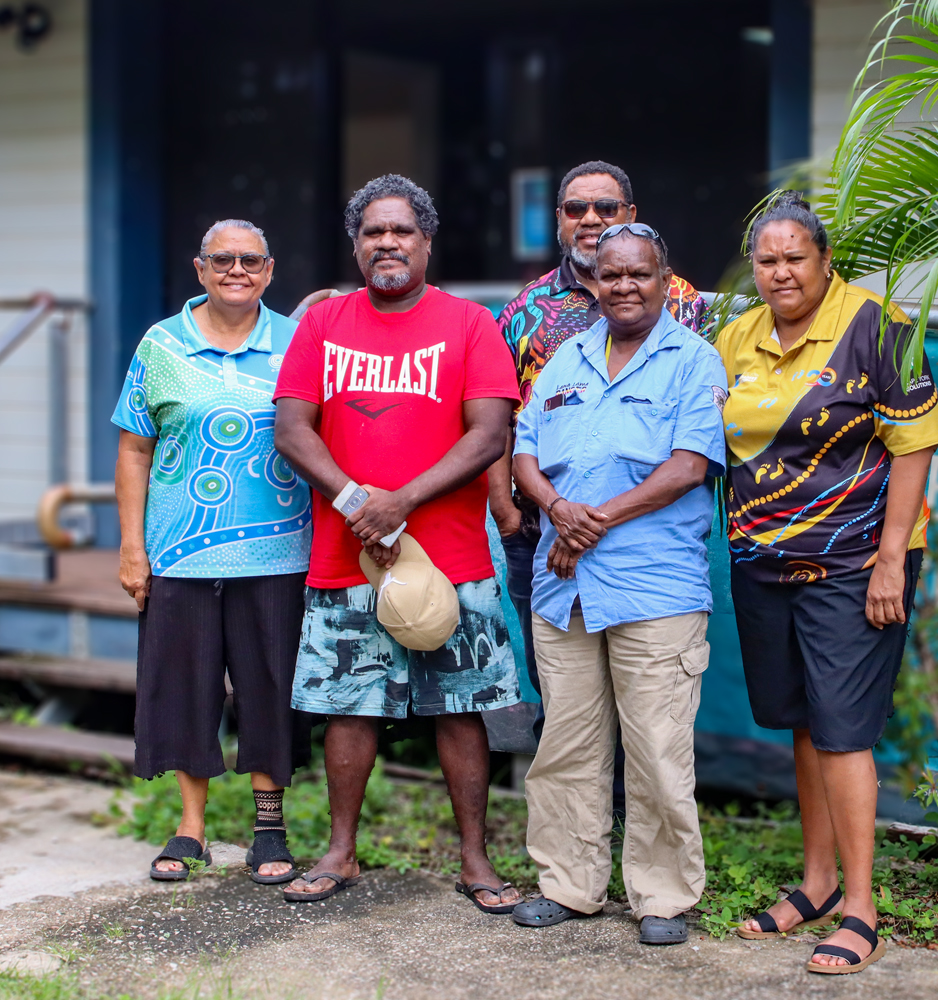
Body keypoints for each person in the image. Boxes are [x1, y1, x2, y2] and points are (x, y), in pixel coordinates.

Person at [272, 174, 525, 912]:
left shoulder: (470, 324)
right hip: (346, 555)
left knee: (460, 708)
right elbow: (292, 429)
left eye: (401, 230)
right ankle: (341, 851)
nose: (387, 243)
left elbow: (489, 432)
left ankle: (475, 861)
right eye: (373, 232)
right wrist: (357, 504)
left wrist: (402, 502)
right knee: (349, 707)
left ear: (426, 241)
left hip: (449, 555)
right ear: (356, 245)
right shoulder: (323, 325)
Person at [716, 192, 938, 974]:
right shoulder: (737, 335)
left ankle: (860, 908)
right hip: (764, 564)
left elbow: (914, 443)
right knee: (804, 724)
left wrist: (891, 561)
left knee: (845, 731)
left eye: (795, 257)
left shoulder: (874, 327)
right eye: (767, 260)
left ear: (824, 259)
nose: (780, 272)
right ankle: (815, 884)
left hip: (854, 568)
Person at [509, 223, 727, 945]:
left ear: (666, 279)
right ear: (592, 282)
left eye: (639, 275)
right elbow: (526, 454)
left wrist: (590, 521)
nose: (624, 287)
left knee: (659, 749)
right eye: (611, 276)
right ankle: (569, 886)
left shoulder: (693, 360)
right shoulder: (566, 357)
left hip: (653, 588)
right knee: (566, 745)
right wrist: (557, 510)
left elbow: (688, 466)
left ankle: (662, 898)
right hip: (562, 586)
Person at [113, 219, 313, 884]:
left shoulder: (296, 341)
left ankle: (269, 828)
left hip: (279, 552)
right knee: (185, 689)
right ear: (199, 270)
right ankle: (190, 828)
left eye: (250, 260)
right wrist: (132, 548)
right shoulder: (160, 346)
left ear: (270, 268)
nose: (237, 270)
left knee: (269, 687)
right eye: (222, 260)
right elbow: (134, 449)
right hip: (179, 553)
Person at [488, 160, 706, 726]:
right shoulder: (525, 312)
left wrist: (592, 523)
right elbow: (502, 417)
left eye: (605, 208)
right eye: (576, 209)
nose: (590, 219)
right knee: (565, 704)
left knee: (649, 710)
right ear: (558, 221)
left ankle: (630, 815)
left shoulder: (685, 302)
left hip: (646, 535)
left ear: (629, 216)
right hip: (542, 533)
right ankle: (582, 816)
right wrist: (510, 513)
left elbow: (702, 418)